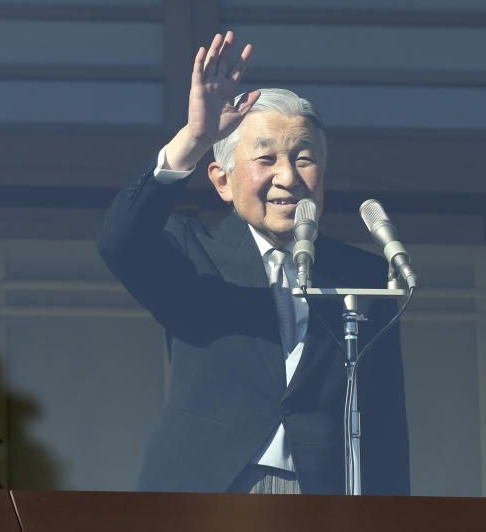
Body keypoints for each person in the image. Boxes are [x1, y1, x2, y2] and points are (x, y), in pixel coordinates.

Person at [97, 32, 409, 494]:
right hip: (206, 488)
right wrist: (195, 138)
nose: (288, 177)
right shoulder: (191, 252)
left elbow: (385, 417)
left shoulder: (360, 277)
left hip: (325, 493)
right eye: (266, 159)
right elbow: (119, 241)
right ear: (222, 182)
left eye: (305, 159)